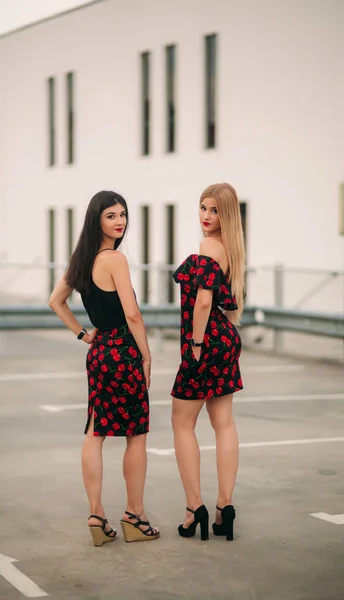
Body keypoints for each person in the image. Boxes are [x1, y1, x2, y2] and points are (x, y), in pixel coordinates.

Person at [49, 190, 159, 546]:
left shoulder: (81, 260)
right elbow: (133, 314)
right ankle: (135, 516)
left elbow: (56, 301)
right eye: (111, 215)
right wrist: (145, 355)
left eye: (123, 214)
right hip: (124, 351)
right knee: (135, 434)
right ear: (97, 219)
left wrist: (84, 335)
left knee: (95, 433)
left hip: (99, 353)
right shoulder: (114, 259)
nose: (120, 221)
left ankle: (97, 516)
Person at [171, 183, 245, 542]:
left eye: (214, 210)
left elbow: (203, 303)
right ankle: (224, 509)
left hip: (205, 340)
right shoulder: (232, 249)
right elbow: (228, 306)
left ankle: (193, 509)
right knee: (224, 423)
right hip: (226, 339)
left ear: (225, 215)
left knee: (182, 423)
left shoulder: (208, 247)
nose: (205, 216)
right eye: (202, 207)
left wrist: (196, 345)